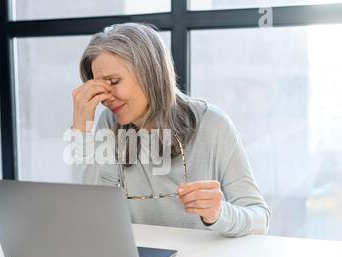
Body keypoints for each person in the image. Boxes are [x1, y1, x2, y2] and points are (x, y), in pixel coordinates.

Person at [69, 22, 270, 237]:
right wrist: (82, 129)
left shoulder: (213, 124)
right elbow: (94, 214)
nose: (105, 98)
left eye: (114, 82)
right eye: (99, 86)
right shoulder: (110, 123)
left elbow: (260, 220)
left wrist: (219, 213)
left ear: (150, 73)